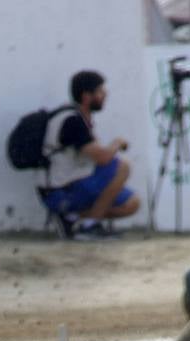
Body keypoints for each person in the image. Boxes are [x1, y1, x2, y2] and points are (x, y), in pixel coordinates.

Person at [40, 70, 140, 241]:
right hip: (59, 191)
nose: (105, 94)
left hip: (70, 183)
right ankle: (88, 225)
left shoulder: (79, 118)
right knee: (122, 167)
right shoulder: (72, 121)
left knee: (131, 204)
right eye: (100, 91)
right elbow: (102, 158)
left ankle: (72, 219)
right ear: (87, 96)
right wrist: (117, 142)